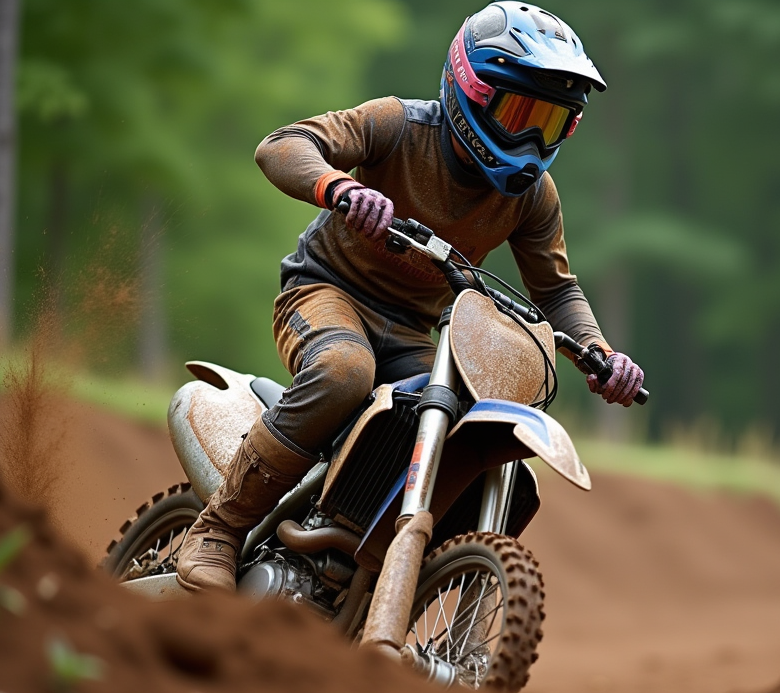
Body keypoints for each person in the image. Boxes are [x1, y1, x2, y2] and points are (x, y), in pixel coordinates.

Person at [176, 1, 646, 592]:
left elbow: (556, 288)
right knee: (346, 371)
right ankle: (219, 527)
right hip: (324, 292)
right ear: (470, 89)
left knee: (458, 424)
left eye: (549, 123)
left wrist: (600, 352)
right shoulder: (397, 126)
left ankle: (366, 574)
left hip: (411, 333)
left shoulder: (533, 197)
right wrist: (339, 188)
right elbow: (281, 145)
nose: (530, 138)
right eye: (519, 111)